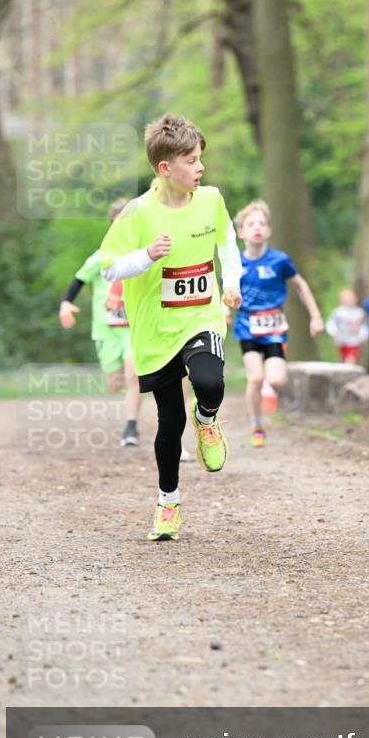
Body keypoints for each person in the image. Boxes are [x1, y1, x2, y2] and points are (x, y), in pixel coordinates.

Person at [99, 113, 242, 541]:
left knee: (210, 382)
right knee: (169, 421)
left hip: (201, 315)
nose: (201, 168)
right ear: (165, 167)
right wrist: (146, 255)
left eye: (200, 159)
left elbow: (227, 242)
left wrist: (231, 283)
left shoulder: (211, 199)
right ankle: (168, 503)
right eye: (192, 161)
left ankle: (208, 418)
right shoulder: (137, 213)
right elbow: (109, 268)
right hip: (157, 330)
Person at [232, 199, 323, 448]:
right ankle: (257, 425)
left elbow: (300, 285)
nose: (257, 227)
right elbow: (225, 292)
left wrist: (315, 316)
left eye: (262, 223)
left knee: (276, 380)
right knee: (255, 378)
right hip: (247, 325)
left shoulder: (279, 260)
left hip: (274, 327)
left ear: (269, 230)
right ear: (241, 232)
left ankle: (267, 394)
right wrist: (223, 310)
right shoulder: (235, 263)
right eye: (251, 224)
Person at [59, 198, 142, 446]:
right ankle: (126, 402)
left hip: (133, 329)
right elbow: (79, 279)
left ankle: (130, 427)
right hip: (105, 330)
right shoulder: (101, 256)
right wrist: (66, 303)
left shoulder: (142, 255)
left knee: (134, 376)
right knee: (115, 383)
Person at [326, 287, 368, 364]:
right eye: (346, 297)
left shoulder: (359, 312)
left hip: (354, 342)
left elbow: (363, 325)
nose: (348, 299)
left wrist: (363, 335)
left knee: (350, 360)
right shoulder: (338, 312)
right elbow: (331, 322)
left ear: (355, 298)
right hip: (341, 341)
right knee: (342, 361)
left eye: (350, 297)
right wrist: (332, 330)